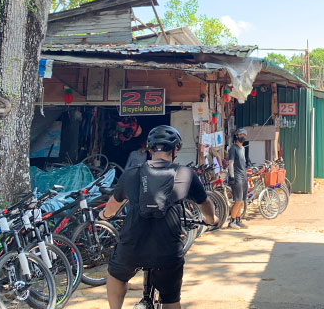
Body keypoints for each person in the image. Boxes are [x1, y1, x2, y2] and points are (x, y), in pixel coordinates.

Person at [99, 125, 218, 309]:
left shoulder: (131, 173)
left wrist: (104, 215)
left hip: (132, 247)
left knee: (116, 275)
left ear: (150, 148)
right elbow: (205, 204)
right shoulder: (186, 174)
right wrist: (211, 219)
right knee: (171, 300)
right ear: (175, 150)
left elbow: (111, 207)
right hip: (167, 250)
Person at [228, 128, 249, 230]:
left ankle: (238, 220)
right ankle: (231, 221)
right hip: (237, 176)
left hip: (243, 175)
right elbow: (231, 164)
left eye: (245, 135)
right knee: (237, 200)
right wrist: (231, 177)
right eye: (241, 135)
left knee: (241, 200)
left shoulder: (243, 149)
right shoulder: (233, 148)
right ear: (237, 136)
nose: (243, 137)